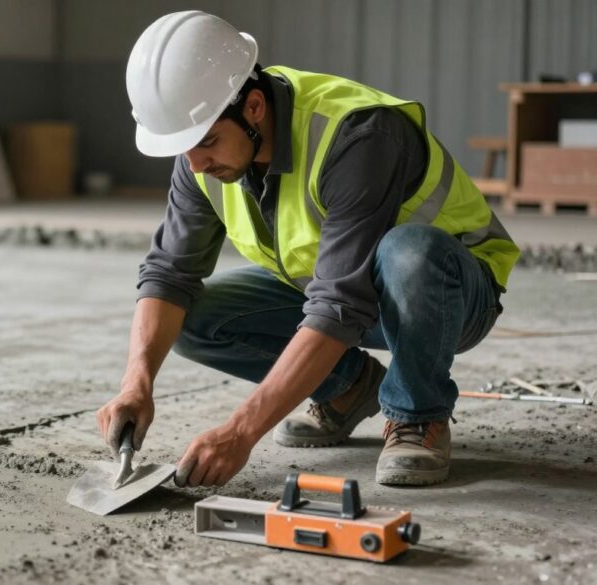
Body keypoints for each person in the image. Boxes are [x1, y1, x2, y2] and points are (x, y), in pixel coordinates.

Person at [95, 11, 519, 487]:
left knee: (409, 251)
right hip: (341, 291)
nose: (195, 164)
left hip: (450, 294)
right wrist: (137, 382)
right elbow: (168, 275)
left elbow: (339, 304)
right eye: (185, 147)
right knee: (192, 319)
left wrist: (241, 430)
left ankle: (417, 414)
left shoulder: (357, 134)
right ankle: (349, 389)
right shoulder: (201, 160)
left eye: (207, 141)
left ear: (253, 107)